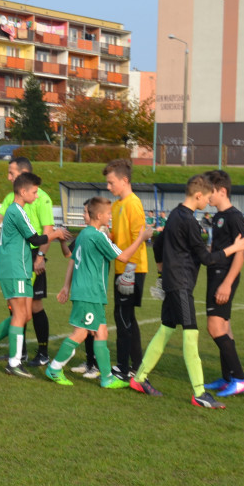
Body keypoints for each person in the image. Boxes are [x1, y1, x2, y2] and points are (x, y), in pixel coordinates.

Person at [129, 174, 244, 409]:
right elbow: (207, 258)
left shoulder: (176, 214)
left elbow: (157, 244)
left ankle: (139, 378)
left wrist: (161, 273)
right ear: (198, 195)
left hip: (171, 282)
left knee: (166, 330)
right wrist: (235, 247)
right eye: (207, 197)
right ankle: (199, 393)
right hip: (181, 285)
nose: (208, 202)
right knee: (191, 333)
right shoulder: (188, 221)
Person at [47, 197, 152, 387]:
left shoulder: (85, 234)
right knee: (80, 334)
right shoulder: (97, 236)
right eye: (108, 213)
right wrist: (141, 238)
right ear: (99, 215)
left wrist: (66, 286)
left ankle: (106, 378)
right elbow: (124, 257)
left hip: (89, 293)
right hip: (90, 293)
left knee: (101, 332)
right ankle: (54, 368)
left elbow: (72, 260)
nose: (110, 216)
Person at [0, 171, 69, 377]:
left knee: (25, 315)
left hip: (23, 269)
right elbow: (35, 239)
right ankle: (14, 363)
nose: (37, 196)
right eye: (34, 192)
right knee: (20, 314)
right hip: (14, 269)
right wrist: (55, 233)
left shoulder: (20, 210)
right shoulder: (16, 211)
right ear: (23, 191)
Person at [201, 170, 244, 397]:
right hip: (216, 273)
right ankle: (228, 376)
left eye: (209, 191)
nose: (206, 195)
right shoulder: (218, 217)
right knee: (224, 328)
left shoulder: (234, 216)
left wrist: (227, 284)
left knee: (214, 327)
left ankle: (240, 379)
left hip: (224, 277)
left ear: (222, 191)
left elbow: (241, 253)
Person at [104, 158, 149, 381]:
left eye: (111, 183)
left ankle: (125, 367)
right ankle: (133, 365)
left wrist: (127, 272)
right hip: (122, 267)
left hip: (132, 268)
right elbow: (117, 237)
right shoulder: (116, 205)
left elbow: (138, 240)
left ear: (124, 180)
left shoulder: (133, 204)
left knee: (123, 316)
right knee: (124, 315)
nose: (108, 187)